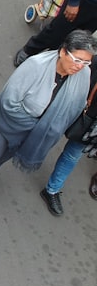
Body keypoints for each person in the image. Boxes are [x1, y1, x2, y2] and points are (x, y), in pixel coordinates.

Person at [0, 30, 95, 189]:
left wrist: (44, 128)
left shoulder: (84, 74)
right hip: (8, 121)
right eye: (77, 59)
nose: (80, 66)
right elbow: (9, 102)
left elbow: (75, 108)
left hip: (34, 132)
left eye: (86, 62)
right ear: (63, 52)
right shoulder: (36, 65)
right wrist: (38, 126)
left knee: (7, 154)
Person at [40, 70, 97, 215]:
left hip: (91, 124)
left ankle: (52, 190)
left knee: (72, 155)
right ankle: (18, 153)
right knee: (45, 131)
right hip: (76, 107)